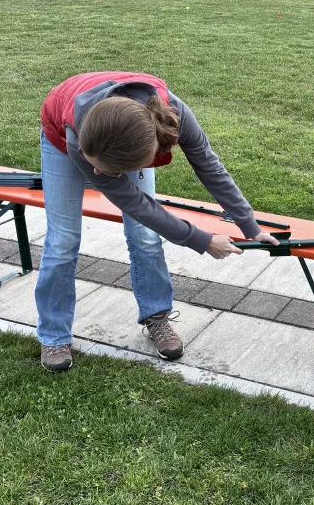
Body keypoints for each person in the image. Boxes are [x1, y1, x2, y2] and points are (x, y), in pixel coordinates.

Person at [37, 72, 278, 372]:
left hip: (124, 137)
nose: (95, 176)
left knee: (145, 235)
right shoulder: (80, 141)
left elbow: (210, 167)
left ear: (143, 160)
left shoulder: (174, 115)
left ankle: (156, 316)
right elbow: (138, 205)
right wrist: (201, 240)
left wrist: (250, 226)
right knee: (63, 240)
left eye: (104, 171)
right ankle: (54, 335)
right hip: (63, 136)